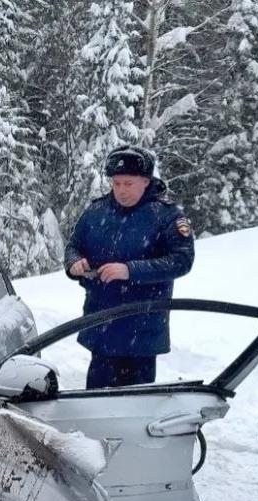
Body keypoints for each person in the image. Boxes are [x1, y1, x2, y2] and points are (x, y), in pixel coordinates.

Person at [63, 145, 195, 389]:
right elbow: (73, 246)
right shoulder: (96, 211)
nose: (121, 190)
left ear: (146, 181)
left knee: (135, 406)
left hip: (142, 329)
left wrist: (130, 271)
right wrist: (74, 264)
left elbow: (181, 260)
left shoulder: (167, 216)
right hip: (101, 324)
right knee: (95, 404)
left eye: (128, 183)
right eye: (117, 183)